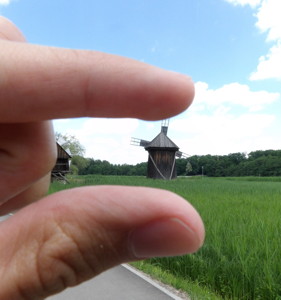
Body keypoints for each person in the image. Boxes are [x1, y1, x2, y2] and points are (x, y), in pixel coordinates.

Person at [0, 16, 205, 299]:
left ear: (167, 153)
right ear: (158, 152)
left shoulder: (164, 148)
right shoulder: (160, 149)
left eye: (165, 153)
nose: (164, 154)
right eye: (161, 152)